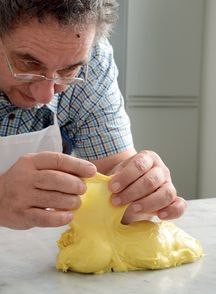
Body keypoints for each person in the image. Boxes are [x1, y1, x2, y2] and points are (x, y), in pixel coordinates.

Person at [0, 0, 187, 230]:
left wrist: (139, 189)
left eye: (68, 71)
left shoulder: (93, 59)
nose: (46, 95)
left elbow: (113, 172)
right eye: (28, 64)